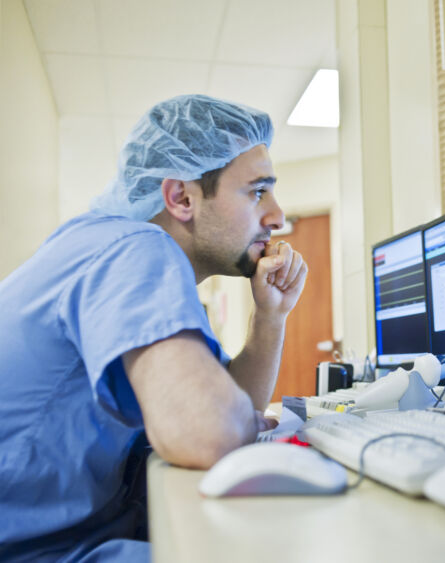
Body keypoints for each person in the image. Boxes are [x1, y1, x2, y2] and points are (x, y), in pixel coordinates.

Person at [0, 94, 307, 561]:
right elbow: (211, 432)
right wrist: (235, 421)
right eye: (257, 191)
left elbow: (231, 402)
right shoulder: (136, 249)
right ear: (181, 197)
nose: (277, 218)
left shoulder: (112, 250)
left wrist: (271, 317)